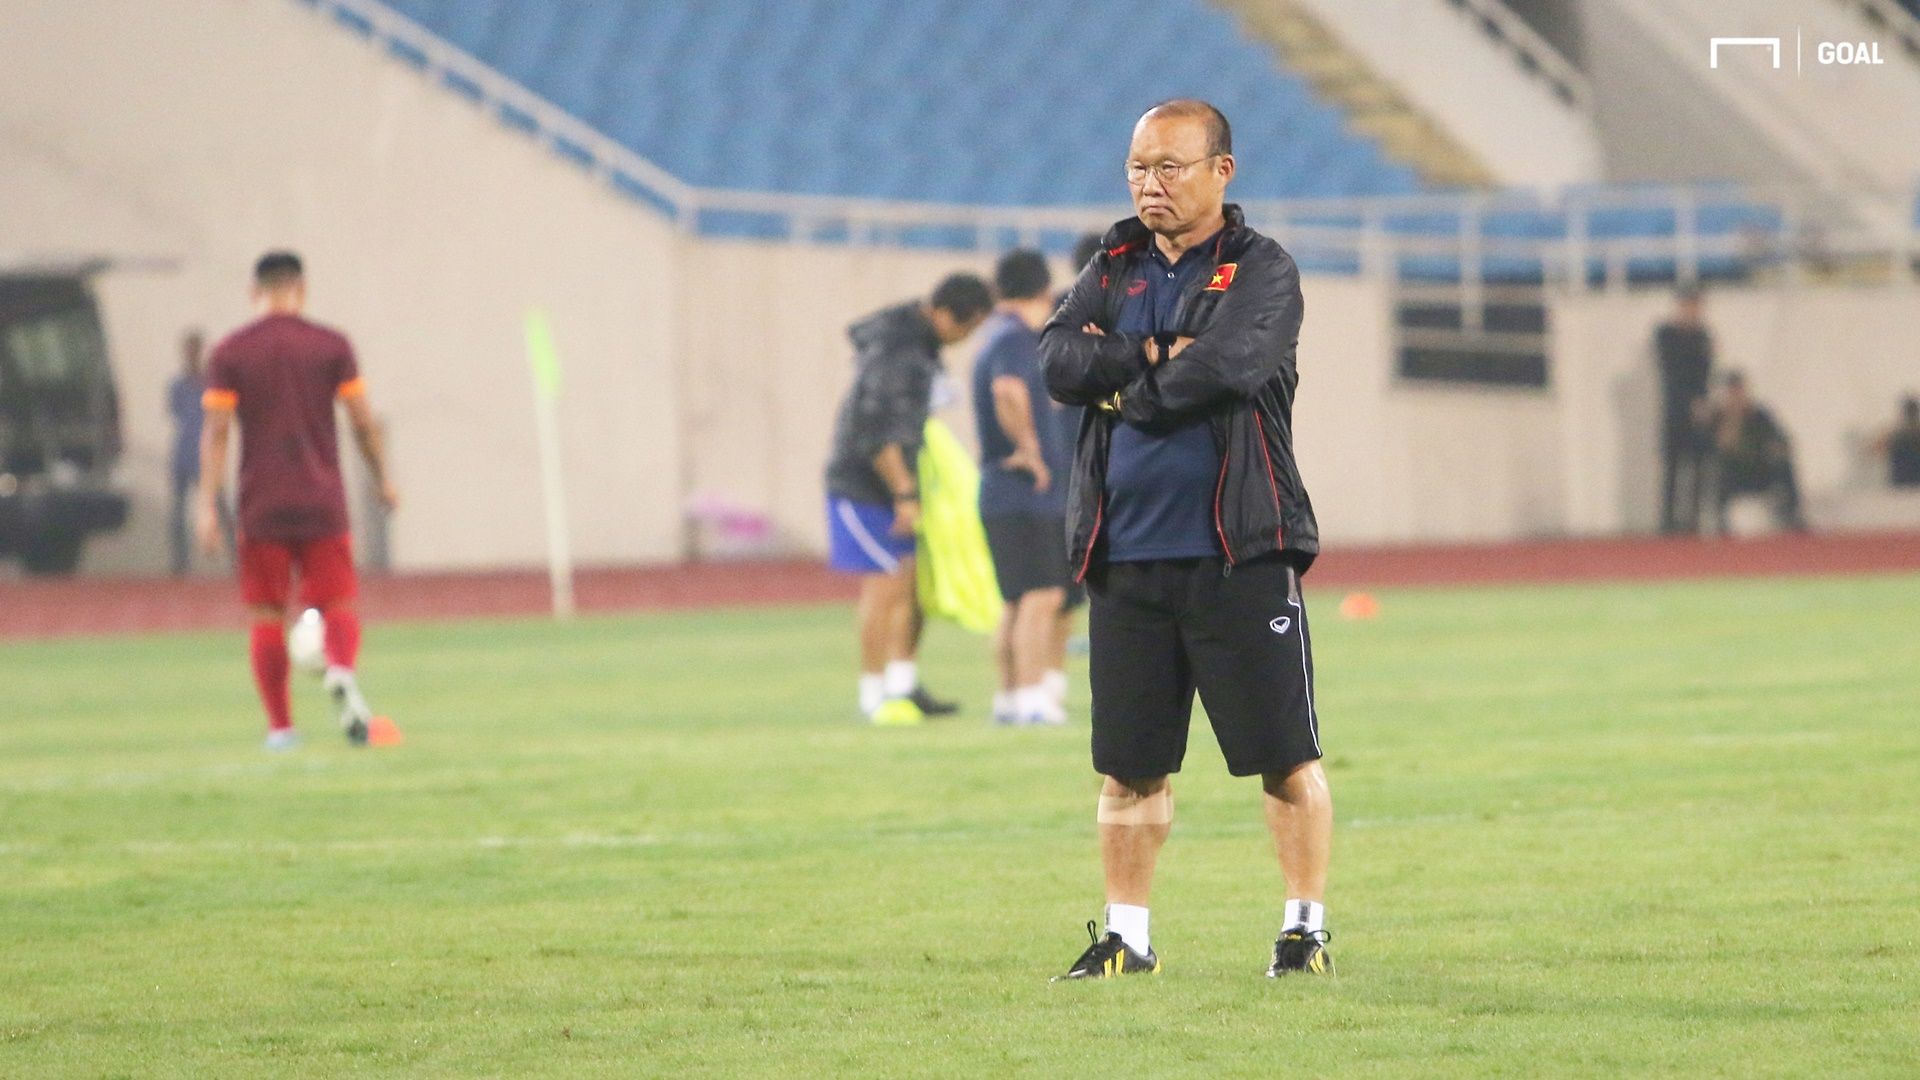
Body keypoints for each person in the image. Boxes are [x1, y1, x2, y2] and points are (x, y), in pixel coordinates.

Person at [1039, 100, 1331, 980]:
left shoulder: (1263, 268)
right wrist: (1156, 355)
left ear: (1220, 171)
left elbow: (1227, 365)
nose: (1149, 184)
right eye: (1138, 168)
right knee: (1128, 769)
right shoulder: (1113, 263)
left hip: (1240, 549)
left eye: (1169, 167)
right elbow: (1057, 361)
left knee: (1284, 758)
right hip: (1124, 555)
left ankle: (1303, 932)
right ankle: (1126, 937)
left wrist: (1120, 378)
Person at [198, 252, 399, 750]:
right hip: (322, 498)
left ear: (255, 292)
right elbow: (362, 422)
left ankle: (281, 729)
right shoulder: (331, 346)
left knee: (267, 614)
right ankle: (340, 669)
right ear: (302, 290)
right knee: (338, 602)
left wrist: (206, 503)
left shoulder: (231, 352)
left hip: (261, 503)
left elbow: (218, 432)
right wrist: (383, 478)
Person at [824, 274, 992, 726]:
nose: (964, 338)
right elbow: (877, 432)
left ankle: (902, 686)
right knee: (886, 586)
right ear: (949, 316)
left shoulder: (915, 344)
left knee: (911, 585)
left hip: (894, 484)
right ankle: (872, 694)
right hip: (865, 485)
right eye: (969, 328)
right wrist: (903, 492)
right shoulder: (901, 354)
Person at [974, 250, 1075, 727]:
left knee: (1017, 599)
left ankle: (1011, 696)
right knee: (1044, 594)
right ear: (1043, 291)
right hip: (1023, 492)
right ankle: (1033, 698)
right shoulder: (1016, 338)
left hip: (1001, 492)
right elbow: (1008, 391)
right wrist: (1030, 450)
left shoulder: (994, 336)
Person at [1706, 371, 1806, 533]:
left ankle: (1792, 514)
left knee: (1784, 466)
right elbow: (1721, 446)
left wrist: (1776, 447)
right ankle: (1720, 522)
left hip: (1759, 471)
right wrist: (1733, 418)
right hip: (1735, 474)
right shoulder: (1719, 416)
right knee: (1718, 474)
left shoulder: (1759, 415)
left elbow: (1781, 440)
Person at [167, 329, 233, 575]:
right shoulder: (178, 385)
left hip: (206, 455)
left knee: (221, 506)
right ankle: (179, 563)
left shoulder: (211, 385)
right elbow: (175, 413)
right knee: (178, 510)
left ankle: (237, 557)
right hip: (183, 453)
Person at [1654, 287, 1715, 534]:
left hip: (1698, 411)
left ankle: (1693, 520)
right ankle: (1668, 522)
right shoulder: (1666, 335)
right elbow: (1672, 371)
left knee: (1698, 466)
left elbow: (1705, 373)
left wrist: (1702, 403)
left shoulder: (1703, 336)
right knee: (1672, 467)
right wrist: (1690, 401)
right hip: (1675, 410)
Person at [1868, 395, 1920, 488]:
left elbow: (1874, 451)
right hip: (1911, 481)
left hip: (1900, 482)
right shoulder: (1894, 433)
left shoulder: (1893, 433)